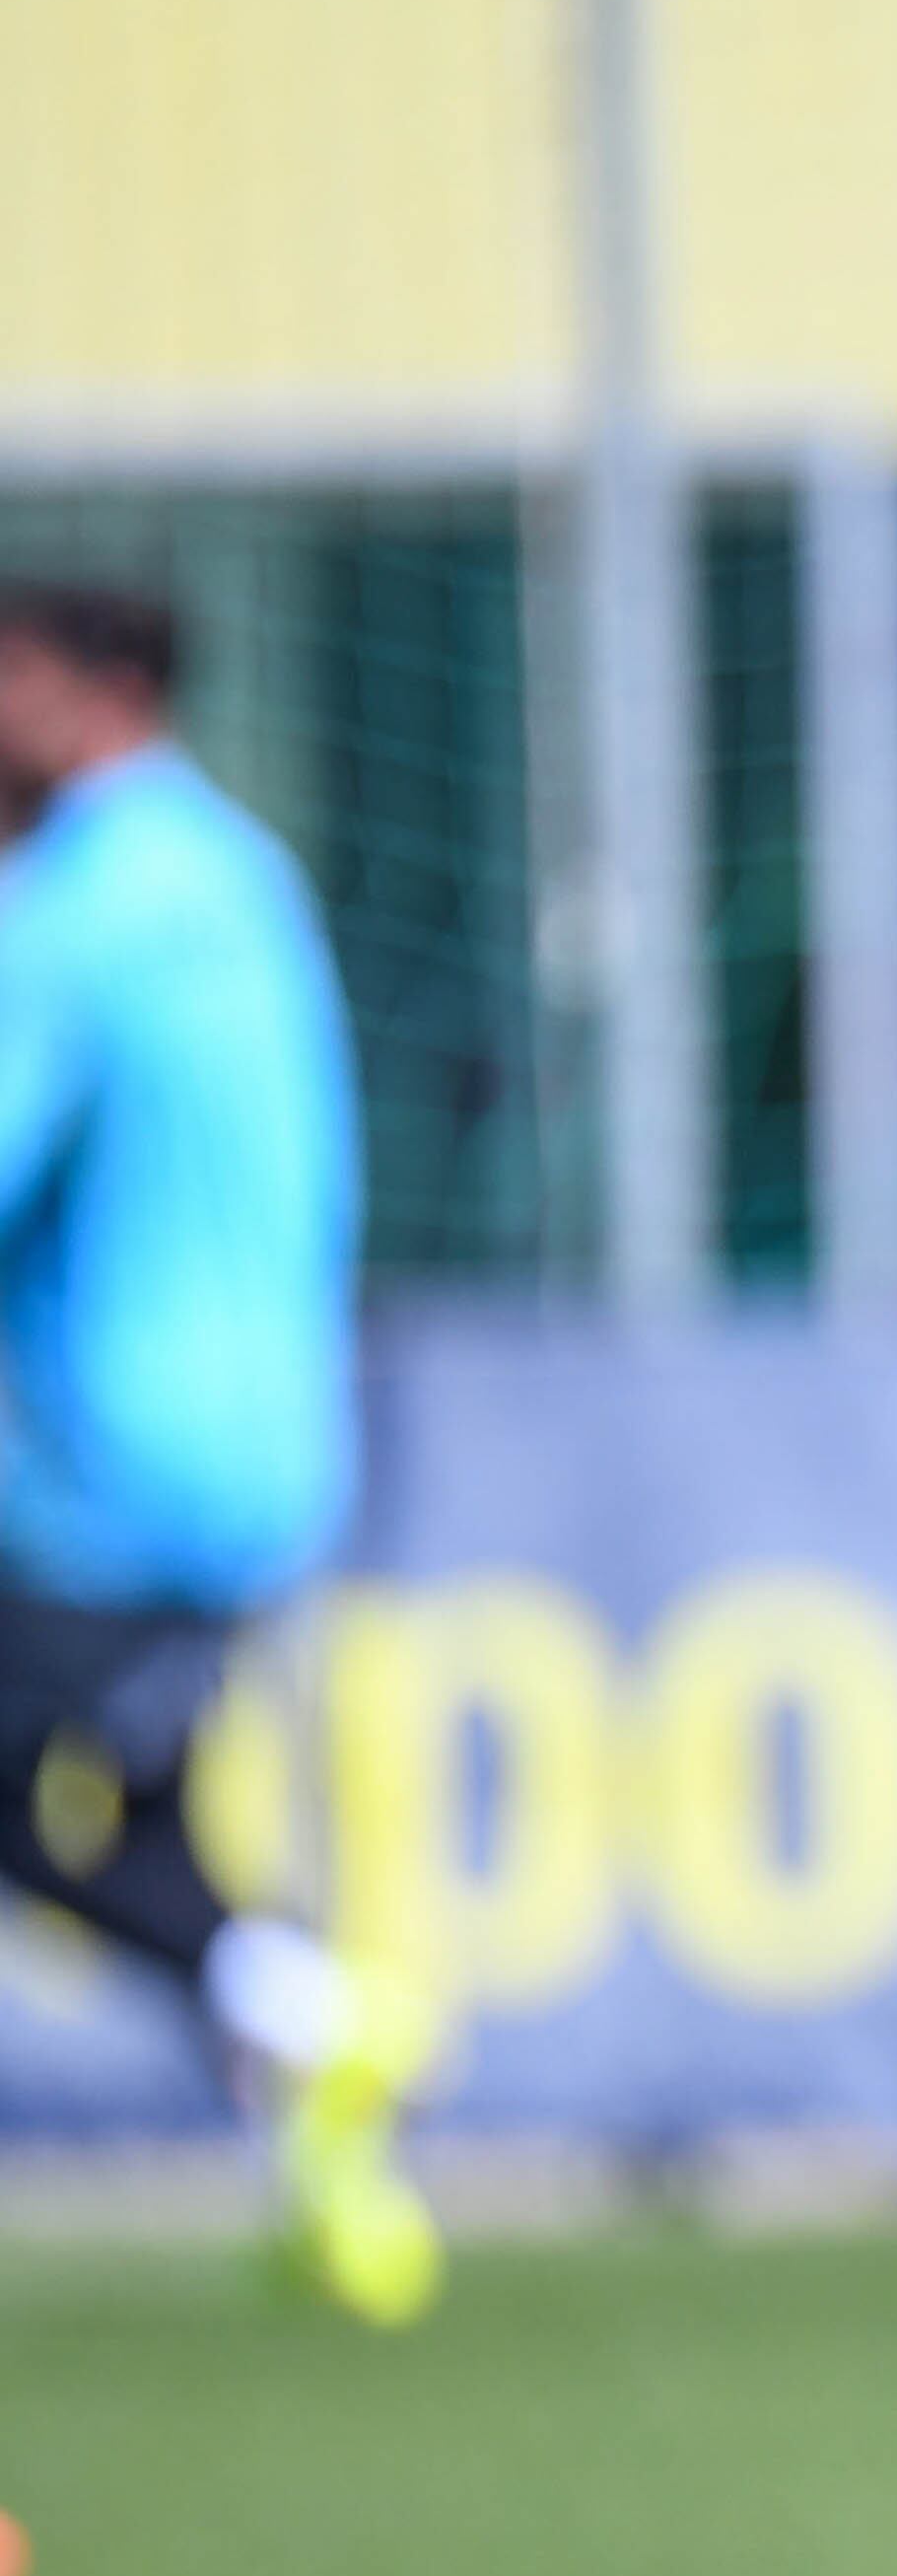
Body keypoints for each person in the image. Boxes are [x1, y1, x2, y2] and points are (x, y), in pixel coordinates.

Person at [0, 580, 436, 2325]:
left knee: (40, 1805)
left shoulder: (79, 903)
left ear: (91, 694)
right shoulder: (247, 877)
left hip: (104, 1459)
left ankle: (315, 2010)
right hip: (269, 1438)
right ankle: (334, 2194)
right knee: (161, 1821)